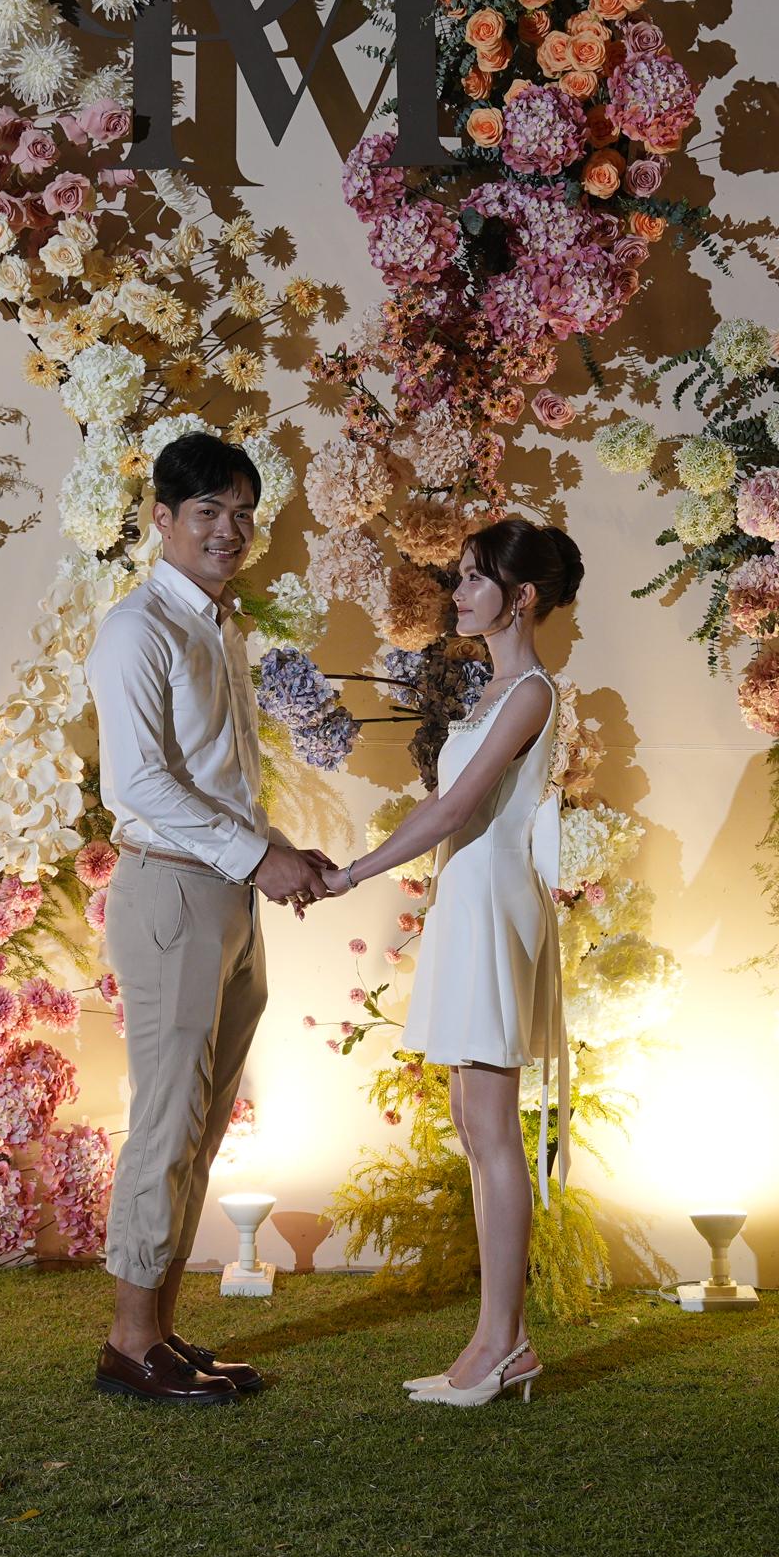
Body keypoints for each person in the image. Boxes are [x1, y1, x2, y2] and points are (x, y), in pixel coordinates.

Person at [84, 431, 334, 1405]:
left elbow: (217, 779)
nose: (228, 530)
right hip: (172, 892)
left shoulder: (218, 627)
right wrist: (257, 857)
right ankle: (128, 1342)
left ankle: (158, 1330)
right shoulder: (136, 629)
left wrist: (276, 845)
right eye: (207, 512)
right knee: (168, 1116)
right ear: (163, 518)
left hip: (223, 890)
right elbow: (139, 782)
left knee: (204, 1119)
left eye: (242, 513)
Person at [320, 517, 583, 1407]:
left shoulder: (529, 693)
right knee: (474, 1125)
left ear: (523, 597)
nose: (459, 593)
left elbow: (452, 811)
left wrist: (351, 873)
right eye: (462, 576)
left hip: (492, 904)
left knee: (493, 1129)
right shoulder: (490, 691)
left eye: (475, 578)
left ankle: (505, 1343)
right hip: (466, 901)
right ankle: (493, 1340)